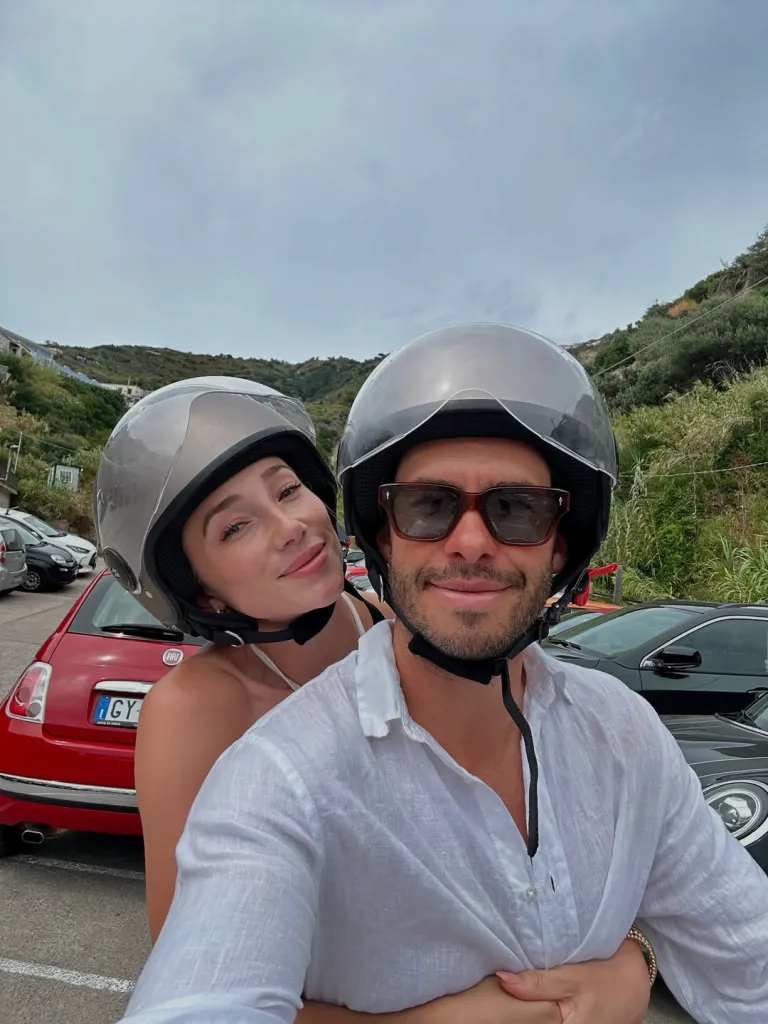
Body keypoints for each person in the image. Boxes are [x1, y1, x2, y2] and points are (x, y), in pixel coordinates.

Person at [121, 323, 768, 1024]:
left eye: (516, 509)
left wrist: (636, 952)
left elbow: (740, 945)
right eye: (428, 506)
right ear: (385, 530)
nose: (469, 543)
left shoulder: (618, 732)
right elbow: (201, 973)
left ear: (563, 546)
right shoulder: (266, 767)